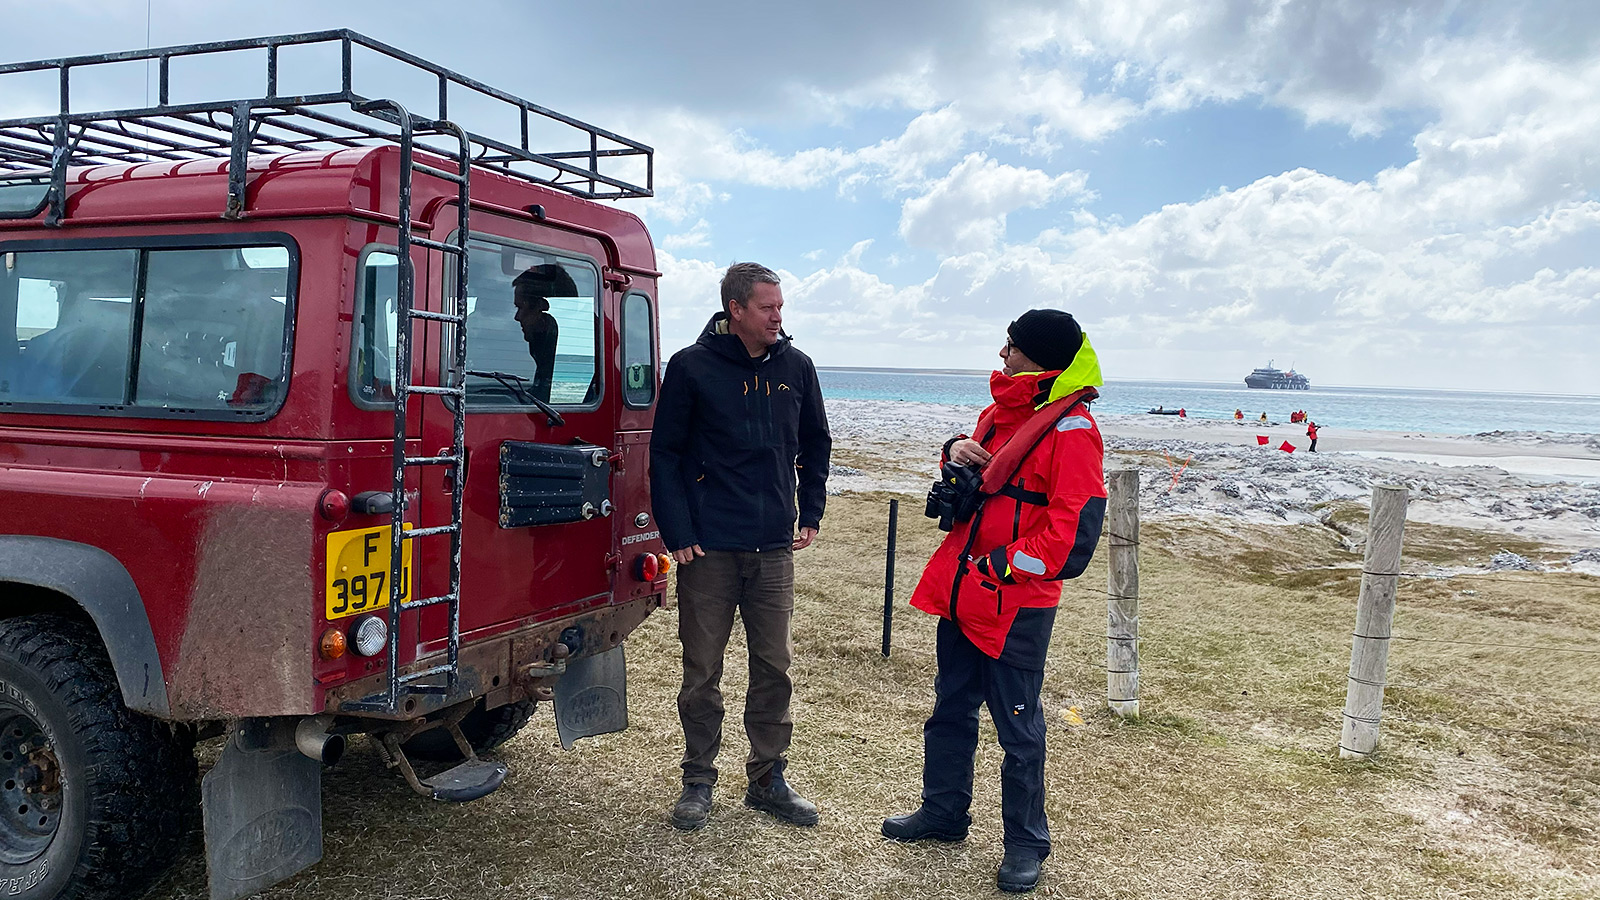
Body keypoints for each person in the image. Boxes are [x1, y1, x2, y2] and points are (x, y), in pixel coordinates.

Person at [882, 309, 1106, 894]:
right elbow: (972, 482)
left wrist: (1000, 566)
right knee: (950, 708)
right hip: (965, 593)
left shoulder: (1073, 432)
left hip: (1016, 607)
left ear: (1038, 356)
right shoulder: (998, 413)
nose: (1001, 354)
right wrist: (953, 449)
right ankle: (943, 812)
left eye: (1011, 345)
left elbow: (1073, 536)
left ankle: (1026, 845)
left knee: (1018, 729)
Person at [649, 262, 832, 832]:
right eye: (767, 307)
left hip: (773, 546)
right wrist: (678, 532)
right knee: (702, 670)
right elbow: (665, 454)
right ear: (736, 310)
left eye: (780, 306)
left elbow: (816, 442)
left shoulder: (797, 367)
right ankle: (698, 780)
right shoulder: (691, 366)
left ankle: (768, 779)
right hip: (708, 549)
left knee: (774, 667)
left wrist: (811, 510)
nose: (778, 316)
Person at [511, 264, 569, 404]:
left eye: (520, 307)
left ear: (541, 307)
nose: (517, 317)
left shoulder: (565, 350)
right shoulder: (540, 343)